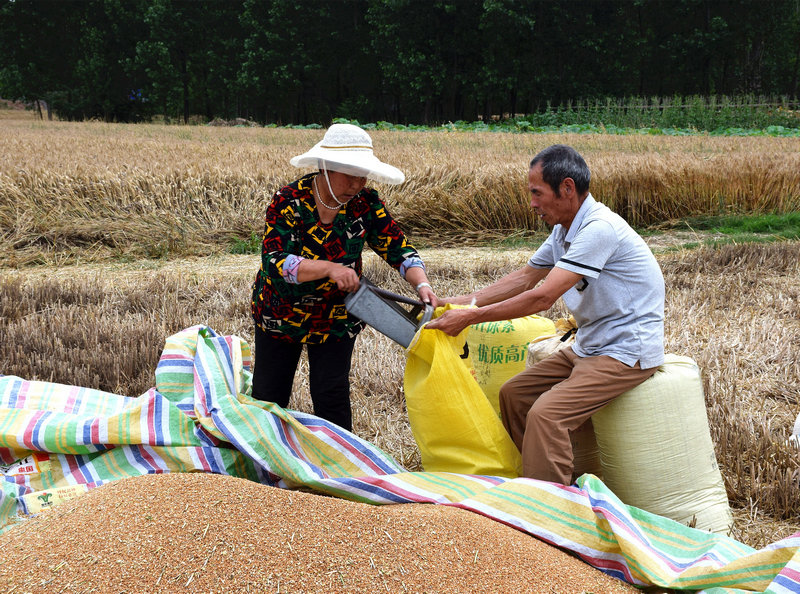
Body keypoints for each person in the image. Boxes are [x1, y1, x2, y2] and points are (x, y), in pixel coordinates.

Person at [426, 144, 664, 485]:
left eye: (537, 193)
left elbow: (541, 297)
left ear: (567, 188)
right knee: (514, 395)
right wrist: (457, 303)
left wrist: (467, 319)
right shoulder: (563, 231)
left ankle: (551, 508)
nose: (533, 204)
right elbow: (524, 278)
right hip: (591, 345)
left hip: (625, 351)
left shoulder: (599, 229)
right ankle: (541, 478)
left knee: (547, 415)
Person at [250, 123, 437, 431]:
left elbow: (398, 247)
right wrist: (329, 267)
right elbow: (275, 262)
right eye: (350, 174)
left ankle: (339, 469)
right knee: (270, 396)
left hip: (336, 315)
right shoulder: (288, 200)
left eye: (363, 175)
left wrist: (422, 283)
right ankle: (261, 469)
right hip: (281, 312)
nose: (357, 183)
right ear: (325, 167)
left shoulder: (366, 203)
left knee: (331, 394)